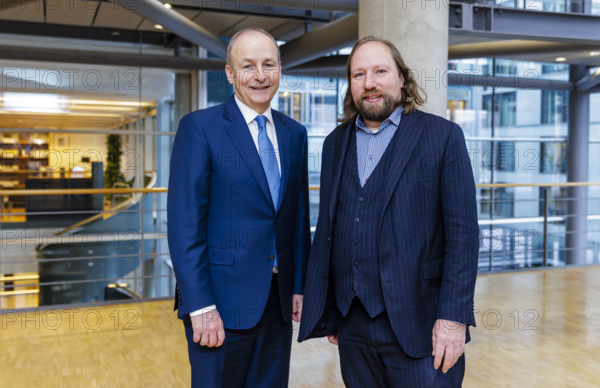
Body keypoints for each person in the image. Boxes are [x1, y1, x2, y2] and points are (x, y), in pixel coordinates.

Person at [298, 36, 479, 387]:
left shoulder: (442, 137)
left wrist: (453, 319)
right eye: (359, 74)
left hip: (423, 326)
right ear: (350, 85)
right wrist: (332, 313)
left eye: (380, 71)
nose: (370, 83)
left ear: (401, 79)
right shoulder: (335, 144)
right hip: (353, 327)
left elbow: (463, 236)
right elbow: (330, 231)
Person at [167, 28, 310, 388]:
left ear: (280, 70)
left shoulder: (295, 134)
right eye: (248, 66)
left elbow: (295, 218)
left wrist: (299, 285)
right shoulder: (200, 128)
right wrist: (200, 307)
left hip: (276, 306)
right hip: (219, 307)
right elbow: (185, 225)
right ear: (230, 74)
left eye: (268, 64)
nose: (259, 76)